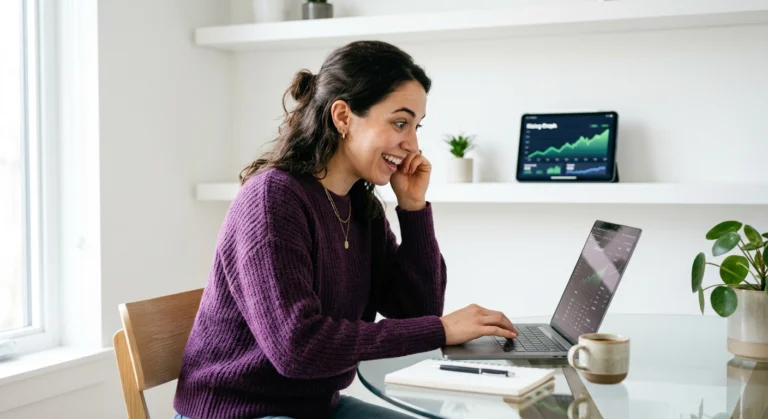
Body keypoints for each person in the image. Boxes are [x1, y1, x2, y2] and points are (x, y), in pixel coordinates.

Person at [173, 40, 518, 419]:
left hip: (316, 409)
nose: (413, 144)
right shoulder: (273, 199)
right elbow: (297, 349)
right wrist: (440, 330)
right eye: (400, 123)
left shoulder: (360, 206)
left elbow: (417, 311)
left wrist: (414, 209)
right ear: (343, 117)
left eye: (417, 127)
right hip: (237, 412)